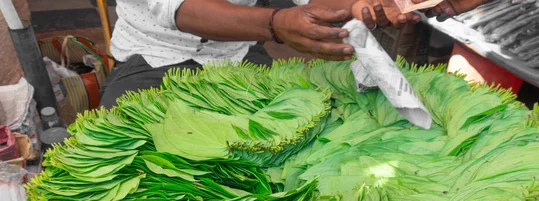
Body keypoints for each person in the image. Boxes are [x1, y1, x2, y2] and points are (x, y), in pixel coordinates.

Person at [99, 0, 485, 108]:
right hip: (151, 58)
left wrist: (364, 4)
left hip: (238, 55)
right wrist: (277, 24)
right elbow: (178, 10)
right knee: (136, 162)